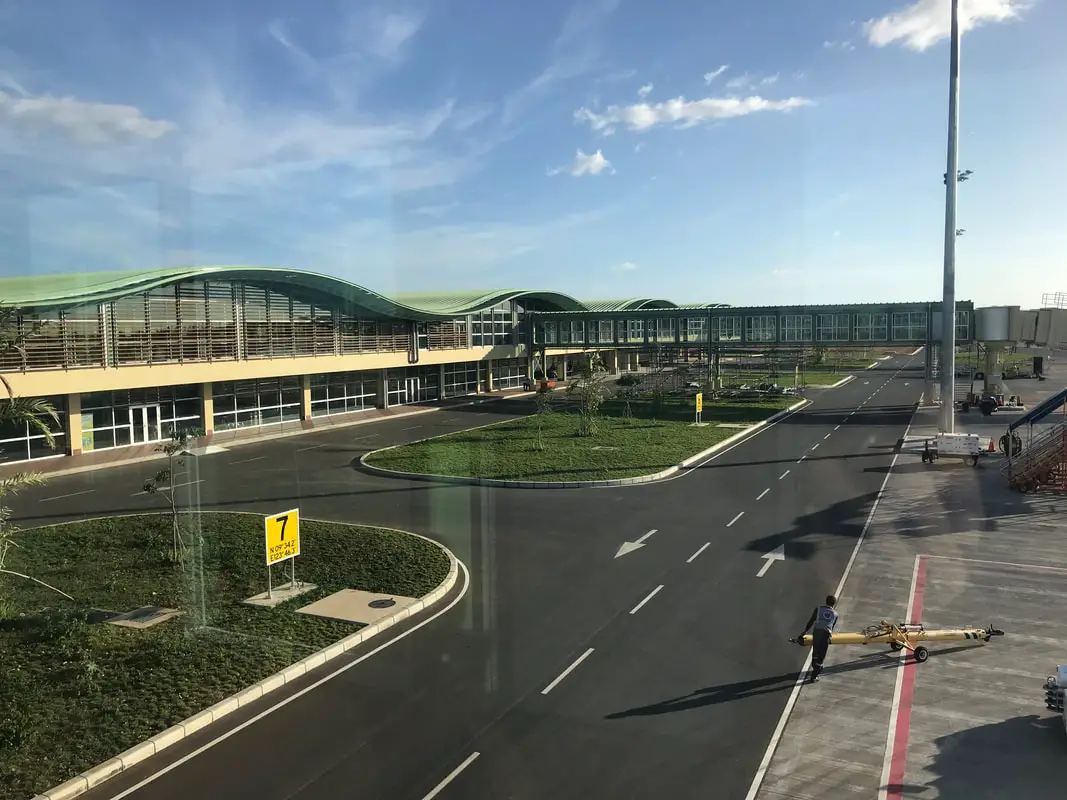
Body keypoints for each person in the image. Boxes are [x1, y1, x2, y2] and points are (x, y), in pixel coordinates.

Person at [799, 594, 838, 682]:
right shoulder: (835, 614)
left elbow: (811, 621)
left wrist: (804, 632)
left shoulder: (818, 609)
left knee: (815, 651)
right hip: (826, 634)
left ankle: (816, 665)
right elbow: (832, 626)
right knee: (821, 654)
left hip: (817, 632)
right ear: (834, 604)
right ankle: (816, 672)